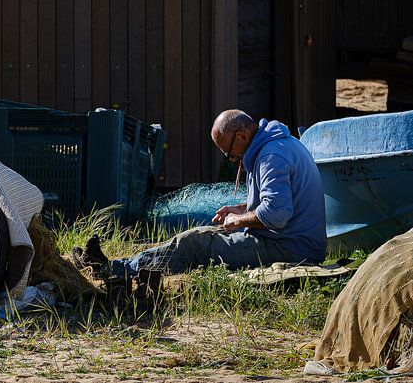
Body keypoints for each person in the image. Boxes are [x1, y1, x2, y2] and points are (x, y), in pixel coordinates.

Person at [73, 109, 327, 282]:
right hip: (291, 241)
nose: (232, 159)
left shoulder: (272, 156)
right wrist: (240, 209)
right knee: (200, 237)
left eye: (229, 152)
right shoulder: (277, 145)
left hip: (292, 250)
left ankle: (116, 271)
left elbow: (277, 214)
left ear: (242, 135)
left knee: (193, 243)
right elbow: (278, 203)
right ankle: (121, 266)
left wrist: (238, 221)